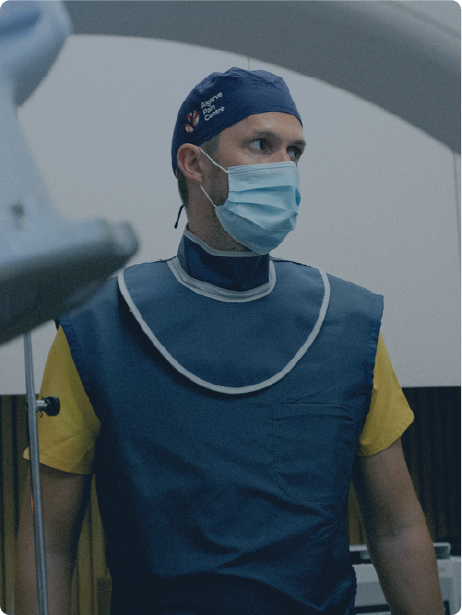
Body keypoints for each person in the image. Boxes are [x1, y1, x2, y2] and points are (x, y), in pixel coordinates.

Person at [15, 67, 445, 615]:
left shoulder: (347, 324)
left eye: (295, 152)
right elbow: (48, 545)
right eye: (262, 145)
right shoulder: (97, 326)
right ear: (194, 163)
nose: (285, 167)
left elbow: (398, 529)